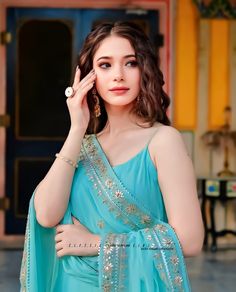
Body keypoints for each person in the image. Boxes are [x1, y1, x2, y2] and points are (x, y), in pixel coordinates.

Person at [20, 21, 204, 291]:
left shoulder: (163, 141)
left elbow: (189, 240)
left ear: (145, 70)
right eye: (105, 65)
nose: (118, 75)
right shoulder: (83, 147)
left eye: (130, 63)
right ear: (88, 77)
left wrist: (94, 243)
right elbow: (46, 216)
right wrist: (77, 129)